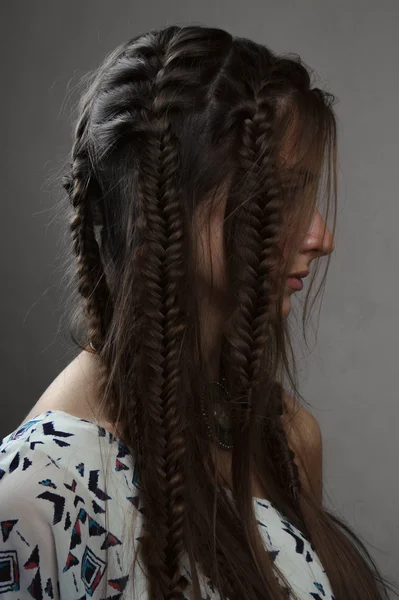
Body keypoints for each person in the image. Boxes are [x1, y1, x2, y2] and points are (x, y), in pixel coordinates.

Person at [0, 24, 396, 600]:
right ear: (167, 205)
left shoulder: (284, 438)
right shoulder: (35, 493)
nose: (321, 236)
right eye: (280, 195)